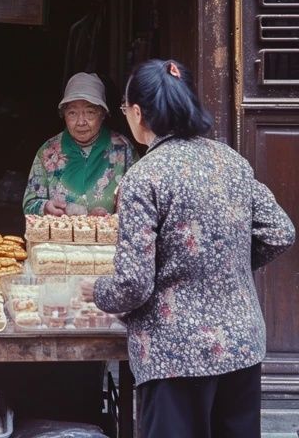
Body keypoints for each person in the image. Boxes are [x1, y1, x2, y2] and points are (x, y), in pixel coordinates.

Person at [87, 58, 295, 438]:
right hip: (240, 344)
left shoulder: (145, 176)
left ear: (136, 113)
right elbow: (280, 231)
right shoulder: (229, 160)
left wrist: (98, 291)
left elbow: (133, 284)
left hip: (174, 355)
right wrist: (222, 264)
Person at [23, 72, 138, 216]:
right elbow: (30, 204)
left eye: (90, 112)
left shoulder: (123, 149)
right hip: (59, 237)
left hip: (108, 237)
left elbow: (139, 204)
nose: (81, 122)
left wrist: (114, 217)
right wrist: (46, 207)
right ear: (63, 115)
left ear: (102, 114)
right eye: (72, 113)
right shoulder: (48, 151)